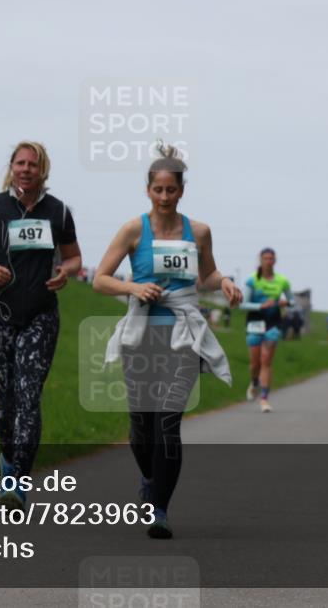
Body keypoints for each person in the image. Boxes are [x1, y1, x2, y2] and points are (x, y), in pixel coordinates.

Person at [93, 143, 241, 539]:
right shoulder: (132, 230)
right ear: (148, 190)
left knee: (168, 423)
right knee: (142, 426)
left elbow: (206, 276)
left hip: (183, 335)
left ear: (181, 191)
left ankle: (159, 508)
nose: (164, 197)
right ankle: (147, 479)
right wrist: (133, 287)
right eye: (157, 190)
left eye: (170, 190)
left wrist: (224, 281)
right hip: (142, 336)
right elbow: (100, 279)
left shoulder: (200, 232)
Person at [0, 141, 82, 510]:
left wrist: (64, 272)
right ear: (11, 168)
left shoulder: (58, 213)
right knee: (6, 399)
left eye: (33, 164)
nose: (26, 169)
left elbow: (74, 258)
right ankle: (7, 458)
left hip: (41, 315)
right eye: (20, 163)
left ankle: (17, 479)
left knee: (28, 396)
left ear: (44, 171)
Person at [239, 248, 291, 412]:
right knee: (255, 364)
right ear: (260, 260)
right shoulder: (252, 280)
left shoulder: (282, 281)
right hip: (254, 324)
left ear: (275, 261)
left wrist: (285, 303)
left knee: (266, 361)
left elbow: (292, 301)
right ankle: (254, 382)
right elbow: (242, 304)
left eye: (271, 258)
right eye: (265, 258)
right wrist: (260, 305)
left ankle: (264, 399)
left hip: (273, 324)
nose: (268, 261)